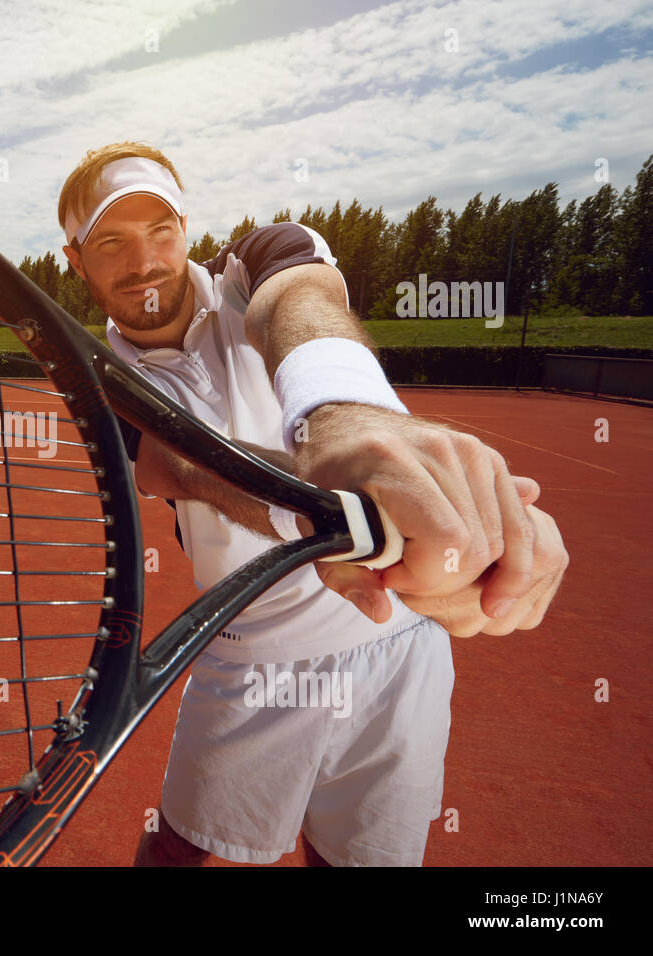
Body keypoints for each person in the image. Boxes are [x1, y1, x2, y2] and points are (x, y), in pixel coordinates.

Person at [56, 142, 568, 866]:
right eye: (112, 242)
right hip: (253, 657)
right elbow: (182, 464)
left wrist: (346, 414)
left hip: (399, 647)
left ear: (185, 228)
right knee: (182, 856)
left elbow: (302, 302)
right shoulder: (98, 378)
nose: (145, 261)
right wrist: (345, 520)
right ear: (75, 259)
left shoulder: (262, 257)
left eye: (161, 230)